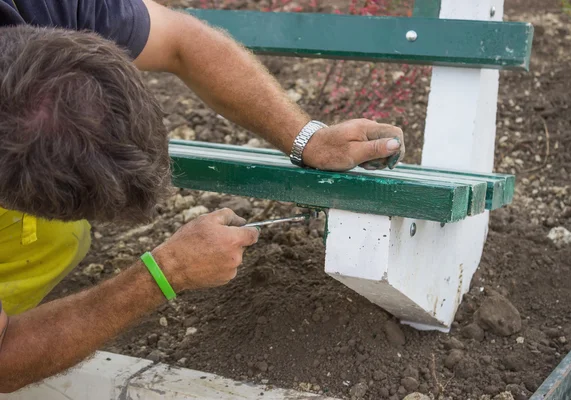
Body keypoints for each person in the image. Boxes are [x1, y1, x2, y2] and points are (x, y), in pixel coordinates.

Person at [0, 0, 405, 392]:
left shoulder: (49, 5)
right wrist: (164, 273)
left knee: (57, 242)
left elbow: (183, 41)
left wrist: (308, 139)